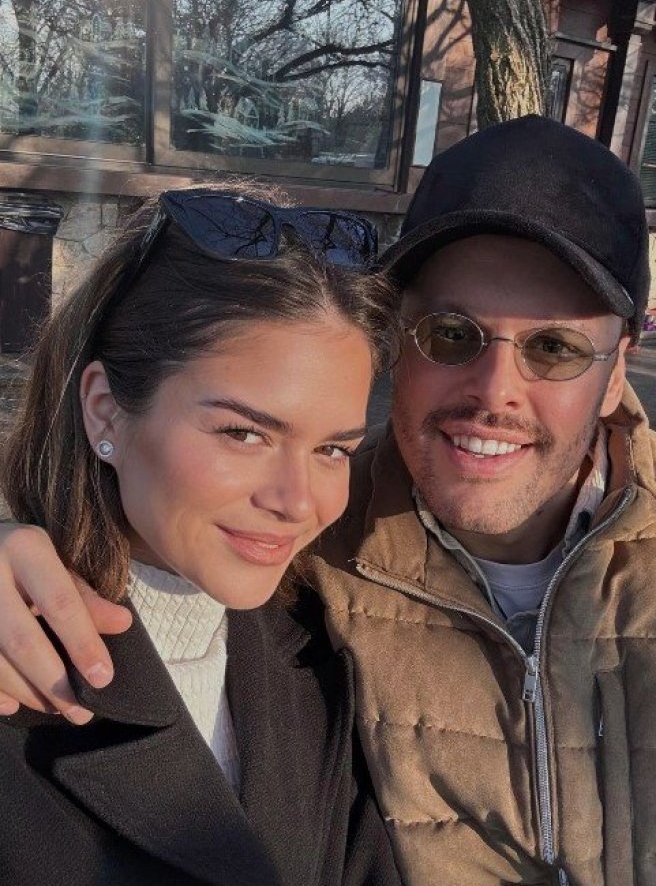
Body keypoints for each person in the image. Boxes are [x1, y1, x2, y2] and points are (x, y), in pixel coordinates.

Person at [0, 116, 653, 885]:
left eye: (555, 347)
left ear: (618, 367)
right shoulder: (319, 571)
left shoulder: (292, 611)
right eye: (451, 334)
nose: (495, 392)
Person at [0, 182, 402, 885]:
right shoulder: (18, 670)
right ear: (105, 410)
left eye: (333, 449)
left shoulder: (322, 657)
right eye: (243, 433)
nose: (296, 501)